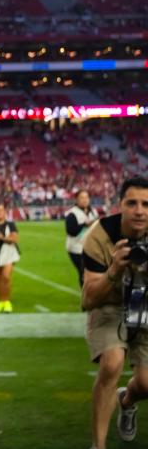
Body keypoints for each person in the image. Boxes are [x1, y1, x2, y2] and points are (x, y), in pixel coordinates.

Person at [82, 175, 148, 449]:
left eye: (146, 203)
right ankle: (98, 446)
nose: (140, 210)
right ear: (119, 204)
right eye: (131, 203)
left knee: (145, 385)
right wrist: (113, 271)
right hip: (109, 303)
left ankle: (127, 400)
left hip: (143, 303)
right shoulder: (100, 234)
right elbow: (88, 299)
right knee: (112, 363)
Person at [67, 189, 99, 288]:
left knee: (92, 272)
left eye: (86, 197)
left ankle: (90, 292)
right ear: (76, 199)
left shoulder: (93, 211)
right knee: (83, 272)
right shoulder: (72, 213)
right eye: (81, 197)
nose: (84, 200)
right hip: (76, 249)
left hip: (90, 247)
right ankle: (86, 294)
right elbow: (71, 231)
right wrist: (85, 224)